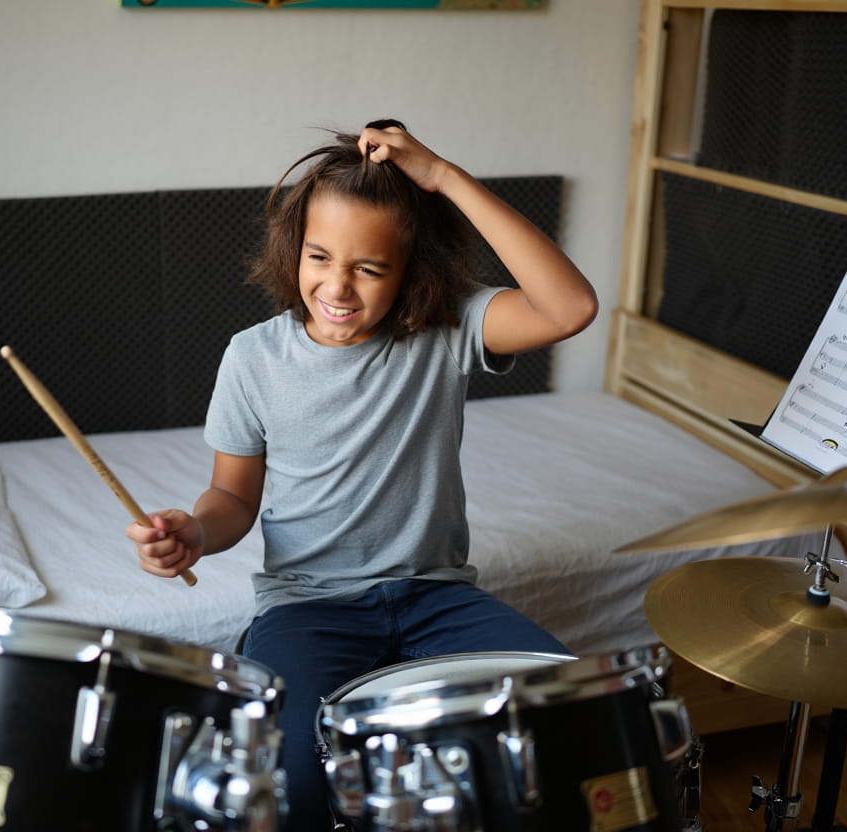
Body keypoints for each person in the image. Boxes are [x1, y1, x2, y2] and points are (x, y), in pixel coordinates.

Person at [125, 119, 598, 830]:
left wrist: (443, 177)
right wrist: (193, 529)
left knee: (568, 720)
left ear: (409, 271)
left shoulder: (445, 331)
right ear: (295, 251)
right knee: (292, 781)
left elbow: (571, 307)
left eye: (370, 269)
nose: (337, 287)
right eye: (320, 257)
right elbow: (232, 496)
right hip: (309, 605)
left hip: (435, 595)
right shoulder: (252, 359)